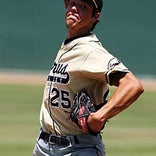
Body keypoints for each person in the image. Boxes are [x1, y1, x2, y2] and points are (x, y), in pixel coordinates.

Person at [33, 0, 144, 155]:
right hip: (43, 146)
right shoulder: (70, 44)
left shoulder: (89, 50)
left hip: (78, 148)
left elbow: (133, 85)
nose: (74, 9)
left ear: (95, 17)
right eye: (72, 3)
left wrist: (100, 116)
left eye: (83, 7)